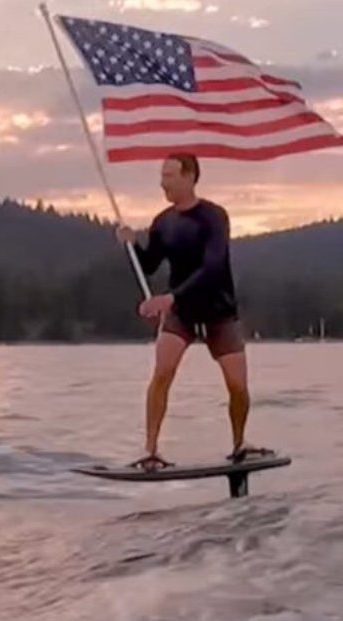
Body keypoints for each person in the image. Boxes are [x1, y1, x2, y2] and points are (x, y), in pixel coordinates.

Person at [116, 153, 274, 472]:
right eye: (162, 176)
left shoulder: (214, 217)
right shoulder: (163, 222)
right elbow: (149, 265)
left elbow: (212, 267)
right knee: (161, 373)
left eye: (169, 176)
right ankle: (150, 450)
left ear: (189, 177)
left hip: (218, 310)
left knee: (238, 386)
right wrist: (131, 244)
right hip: (182, 315)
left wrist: (170, 298)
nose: (163, 183)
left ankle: (239, 443)